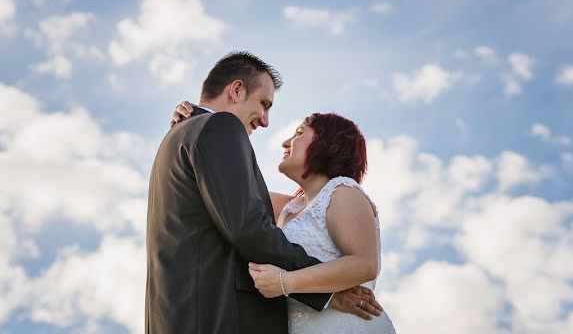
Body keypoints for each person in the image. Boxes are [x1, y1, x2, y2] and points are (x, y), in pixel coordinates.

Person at [146, 51, 382, 334]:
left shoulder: (181, 137)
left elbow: (244, 208)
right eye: (263, 104)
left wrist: (193, 116)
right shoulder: (218, 127)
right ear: (236, 89)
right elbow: (248, 227)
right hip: (218, 317)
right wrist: (328, 293)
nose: (266, 121)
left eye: (298, 133)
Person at [172, 103, 397, 333]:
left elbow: (364, 264)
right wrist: (194, 121)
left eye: (299, 133)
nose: (286, 142)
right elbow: (226, 189)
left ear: (328, 143)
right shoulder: (288, 207)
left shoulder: (343, 191)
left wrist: (285, 282)